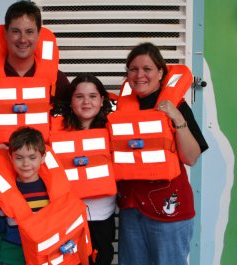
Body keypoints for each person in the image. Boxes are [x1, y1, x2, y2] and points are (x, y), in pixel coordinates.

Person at [110, 42, 209, 265]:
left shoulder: (178, 106)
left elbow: (191, 158)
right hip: (132, 209)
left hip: (168, 211)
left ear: (160, 72)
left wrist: (178, 118)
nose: (139, 75)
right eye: (133, 69)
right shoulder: (120, 110)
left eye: (147, 69)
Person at [50, 74, 116, 265]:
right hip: (67, 216)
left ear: (102, 100)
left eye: (93, 96)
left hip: (102, 217)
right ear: (71, 102)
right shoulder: (54, 133)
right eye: (79, 97)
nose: (86, 102)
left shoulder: (114, 131)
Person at [0, 0, 69, 117]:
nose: (23, 39)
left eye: (29, 32)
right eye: (16, 31)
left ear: (38, 35)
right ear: (6, 34)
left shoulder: (57, 81)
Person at [0, 127, 48, 264]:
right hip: (10, 259)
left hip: (43, 257)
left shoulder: (51, 191)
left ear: (43, 157)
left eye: (32, 157)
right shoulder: (3, 192)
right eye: (19, 158)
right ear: (11, 158)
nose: (26, 164)